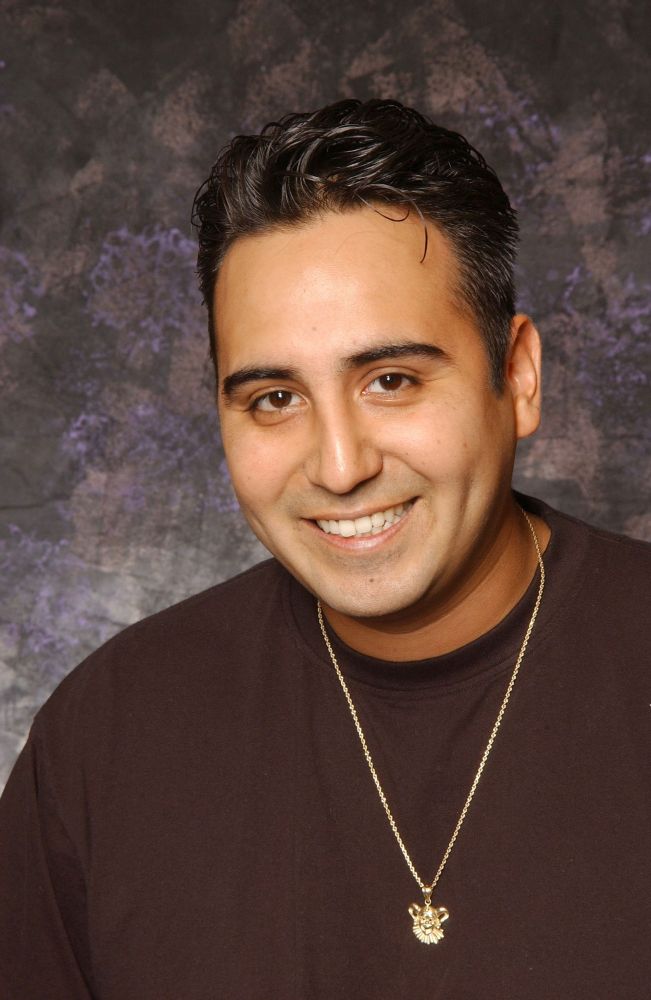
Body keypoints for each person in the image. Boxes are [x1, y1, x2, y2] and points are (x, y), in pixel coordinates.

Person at [0, 98, 649, 999]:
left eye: (391, 380)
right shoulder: (103, 740)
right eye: (274, 399)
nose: (340, 468)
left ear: (518, 376)